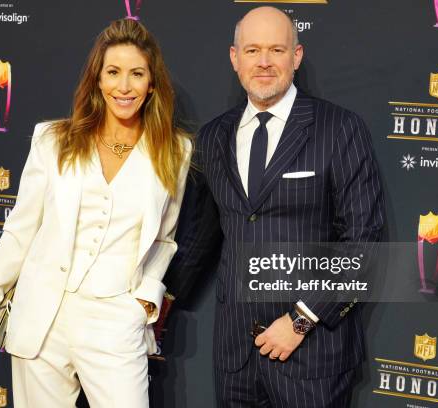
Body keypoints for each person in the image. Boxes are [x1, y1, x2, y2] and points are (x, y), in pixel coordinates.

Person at [164, 7, 385, 407]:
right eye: (252, 50)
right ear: (235, 59)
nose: (263, 62)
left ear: (296, 57)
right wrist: (158, 301)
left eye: (276, 50)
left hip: (313, 354)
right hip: (236, 358)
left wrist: (302, 320)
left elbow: (364, 244)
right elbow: (201, 238)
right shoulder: (214, 137)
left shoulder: (339, 129)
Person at [0, 18, 191, 408]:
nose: (124, 87)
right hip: (43, 315)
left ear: (152, 83)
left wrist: (143, 299)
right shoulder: (54, 140)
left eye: (136, 74)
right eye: (113, 73)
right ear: (97, 80)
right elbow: (22, 227)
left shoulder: (174, 152)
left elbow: (164, 238)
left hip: (115, 319)